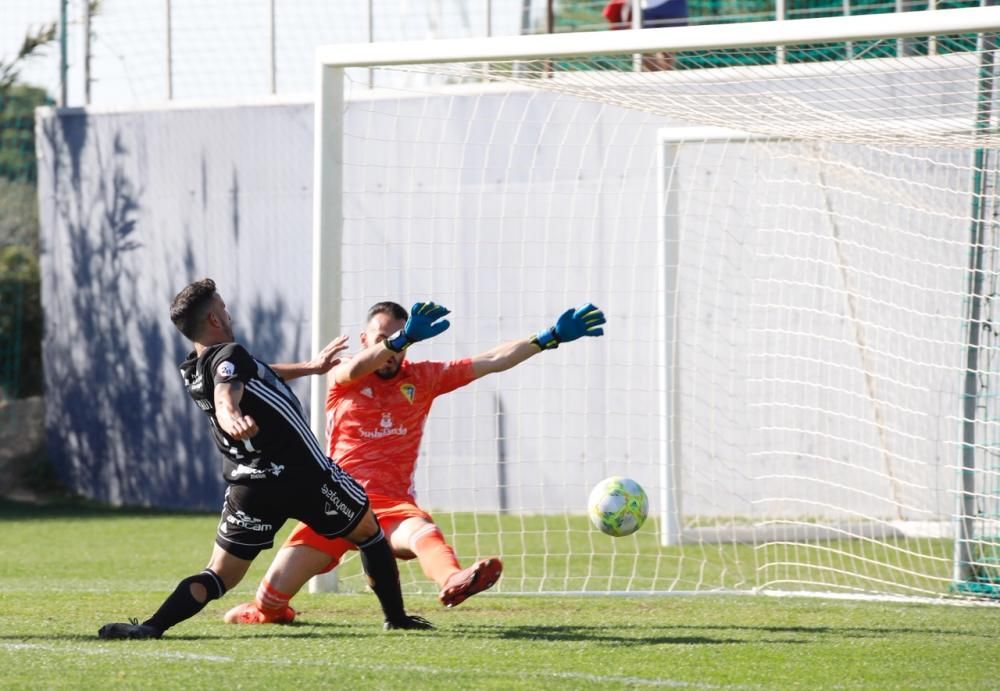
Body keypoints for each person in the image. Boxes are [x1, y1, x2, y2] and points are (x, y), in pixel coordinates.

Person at [98, 279, 445, 639]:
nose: (228, 311)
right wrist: (230, 414)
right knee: (369, 532)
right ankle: (395, 617)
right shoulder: (229, 355)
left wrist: (310, 368)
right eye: (223, 306)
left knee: (219, 575)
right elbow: (226, 392)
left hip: (250, 486)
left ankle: (153, 626)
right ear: (215, 319)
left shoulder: (196, 368)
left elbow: (252, 373)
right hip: (304, 476)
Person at [222, 299, 606, 625]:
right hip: (334, 503)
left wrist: (548, 338)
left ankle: (455, 580)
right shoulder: (344, 377)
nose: (393, 352)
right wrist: (398, 340)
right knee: (269, 600)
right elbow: (355, 368)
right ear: (365, 341)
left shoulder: (422, 378)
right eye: (382, 341)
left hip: (391, 507)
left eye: (402, 344)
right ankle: (270, 610)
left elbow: (491, 359)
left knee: (421, 533)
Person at [602, 0, 689, 71]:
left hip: (669, 6)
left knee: (667, 50)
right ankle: (660, 78)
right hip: (644, 8)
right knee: (643, 49)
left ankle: (662, 78)